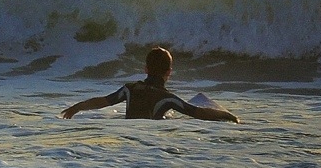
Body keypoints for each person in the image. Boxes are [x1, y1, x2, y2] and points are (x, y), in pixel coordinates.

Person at [60, 46, 240, 123]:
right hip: (152, 142)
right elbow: (197, 113)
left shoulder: (129, 89)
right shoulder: (167, 98)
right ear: (169, 72)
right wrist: (228, 116)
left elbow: (103, 101)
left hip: (130, 138)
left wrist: (78, 107)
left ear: (145, 69)